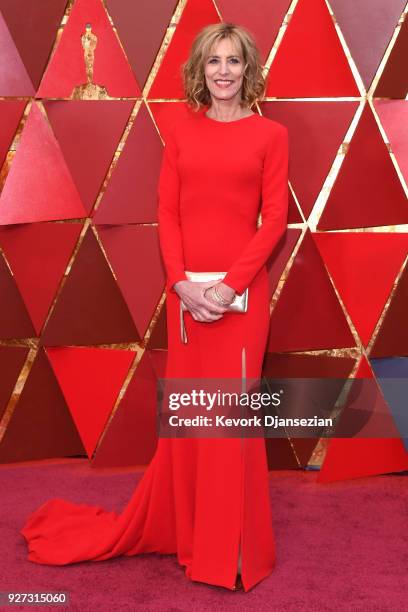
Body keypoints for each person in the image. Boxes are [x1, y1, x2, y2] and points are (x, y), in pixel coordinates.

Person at [20, 22, 289, 593]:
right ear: (200, 69)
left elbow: (273, 223)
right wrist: (183, 285)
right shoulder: (179, 131)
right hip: (188, 299)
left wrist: (228, 286)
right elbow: (166, 214)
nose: (222, 71)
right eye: (213, 61)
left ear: (247, 70)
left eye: (233, 61)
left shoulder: (271, 135)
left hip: (242, 301)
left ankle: (233, 550)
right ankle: (194, 539)